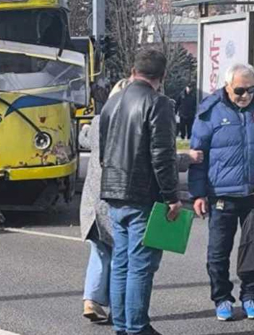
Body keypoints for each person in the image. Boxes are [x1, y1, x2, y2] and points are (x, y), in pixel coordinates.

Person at [188, 63, 254, 322]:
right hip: (221, 195)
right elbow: (198, 156)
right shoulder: (209, 112)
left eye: (251, 90)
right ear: (227, 87)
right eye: (240, 90)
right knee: (218, 253)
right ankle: (222, 298)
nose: (245, 96)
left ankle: (251, 295)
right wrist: (197, 194)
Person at [100, 49, 182, 335]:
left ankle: (122, 325)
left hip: (114, 192)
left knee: (121, 263)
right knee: (141, 266)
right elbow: (163, 155)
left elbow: (104, 150)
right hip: (143, 195)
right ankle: (137, 326)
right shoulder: (158, 103)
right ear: (162, 76)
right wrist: (172, 197)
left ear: (133, 71)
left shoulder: (112, 102)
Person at [80, 78, 131, 323]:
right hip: (115, 199)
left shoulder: (99, 122)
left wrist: (84, 129)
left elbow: (85, 140)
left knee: (100, 252)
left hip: (92, 203)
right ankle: (117, 308)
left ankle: (91, 300)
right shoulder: (128, 124)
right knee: (122, 255)